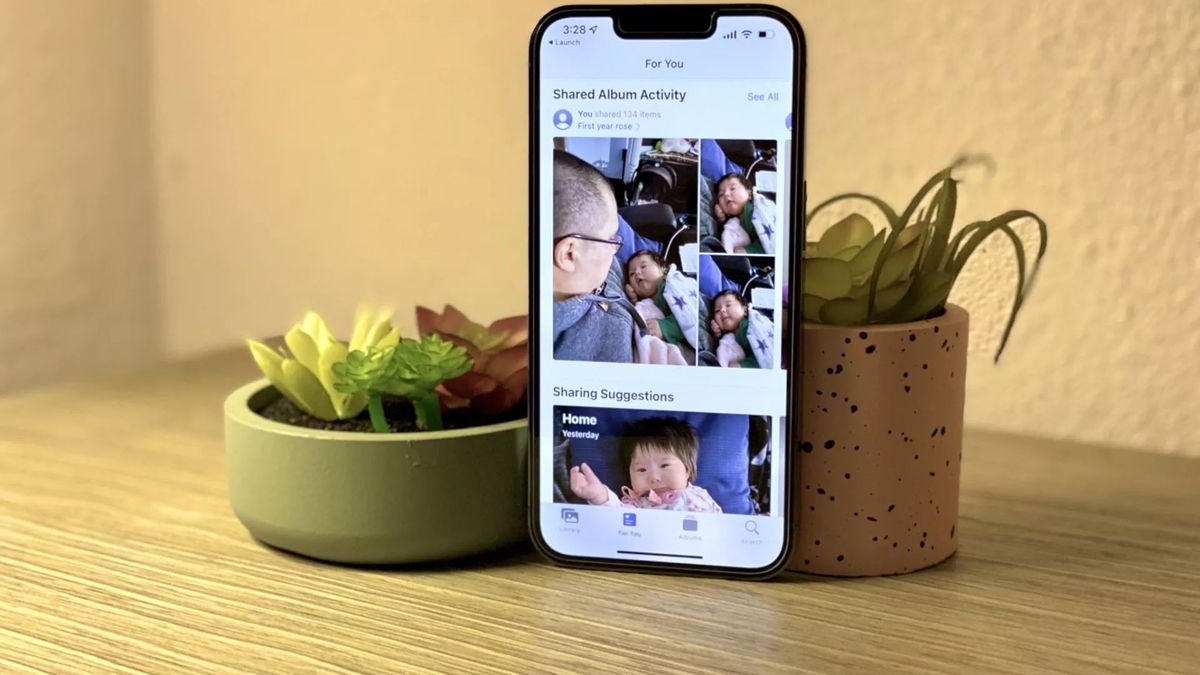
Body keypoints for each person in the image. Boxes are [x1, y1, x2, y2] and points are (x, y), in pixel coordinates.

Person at [552, 150, 683, 365]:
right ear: (569, 254)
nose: (616, 247)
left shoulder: (594, 268)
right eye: (611, 238)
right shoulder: (588, 354)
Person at [568, 417, 723, 512]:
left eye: (665, 466)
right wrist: (599, 495)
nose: (654, 478)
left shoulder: (700, 496)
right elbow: (615, 515)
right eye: (641, 469)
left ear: (688, 470)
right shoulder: (637, 504)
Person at [623, 250, 685, 346]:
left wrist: (664, 327)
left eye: (643, 266)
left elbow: (686, 316)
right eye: (631, 274)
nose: (637, 273)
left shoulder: (669, 286)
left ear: (663, 270)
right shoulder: (649, 301)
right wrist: (634, 300)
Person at [713, 172, 765, 254]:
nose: (726, 194)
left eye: (732, 189)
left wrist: (747, 251)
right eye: (721, 194)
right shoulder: (735, 221)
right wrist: (721, 219)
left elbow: (767, 242)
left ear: (749, 194)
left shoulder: (752, 211)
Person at [709, 290, 758, 369]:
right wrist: (717, 335)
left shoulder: (747, 327)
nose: (722, 310)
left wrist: (741, 366)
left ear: (745, 310)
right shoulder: (727, 336)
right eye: (717, 310)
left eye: (728, 305)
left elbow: (762, 357)